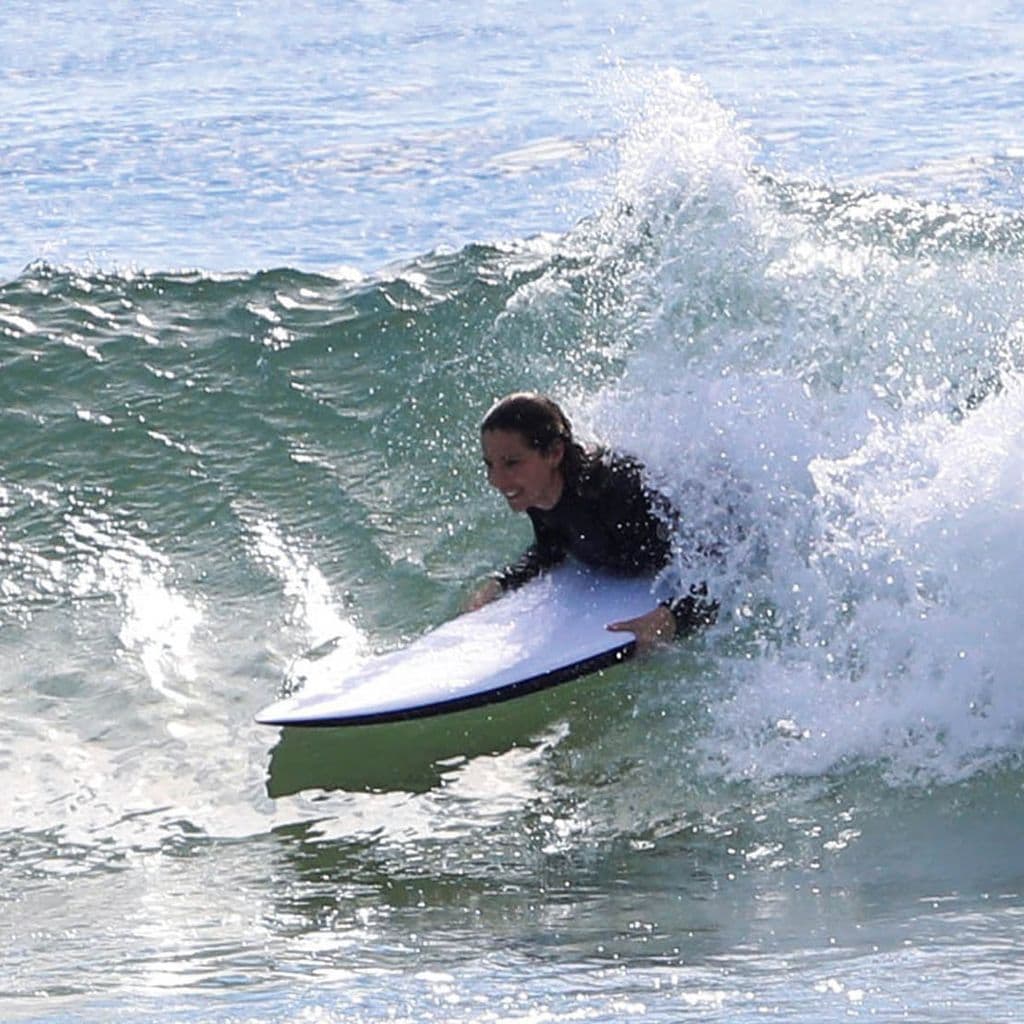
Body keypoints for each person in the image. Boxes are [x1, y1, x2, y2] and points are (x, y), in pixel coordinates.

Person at [466, 392, 718, 649]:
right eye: (490, 465)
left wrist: (671, 619)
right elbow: (551, 546)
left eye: (511, 463)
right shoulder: (540, 494)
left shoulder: (618, 495)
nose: (496, 481)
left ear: (554, 453)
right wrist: (502, 582)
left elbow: (717, 569)